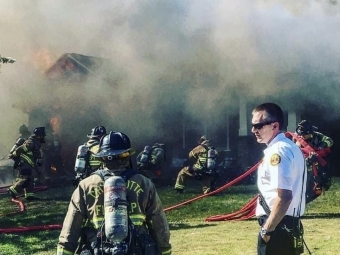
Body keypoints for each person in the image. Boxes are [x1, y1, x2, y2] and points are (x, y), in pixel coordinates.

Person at [57, 131, 172, 255]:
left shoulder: (86, 185)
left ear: (102, 158)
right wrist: (164, 249)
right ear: (127, 156)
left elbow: (71, 228)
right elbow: (158, 223)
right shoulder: (144, 183)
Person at [251, 102, 306, 255]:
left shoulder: (278, 151)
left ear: (274, 126)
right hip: (287, 224)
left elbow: (284, 196)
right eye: (253, 125)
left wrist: (267, 230)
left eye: (259, 125)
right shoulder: (289, 147)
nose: (253, 130)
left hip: (277, 228)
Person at [294, 120, 333, 203]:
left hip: (318, 166)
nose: (302, 136)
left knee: (320, 187)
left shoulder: (317, 136)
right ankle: (299, 204)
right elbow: (295, 158)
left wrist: (324, 144)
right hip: (303, 169)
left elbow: (329, 140)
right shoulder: (296, 140)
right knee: (304, 189)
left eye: (305, 134)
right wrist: (308, 160)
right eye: (301, 133)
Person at [8, 127, 46, 200]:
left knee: (30, 179)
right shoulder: (31, 142)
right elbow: (22, 148)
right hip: (24, 163)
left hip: (29, 163)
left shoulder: (36, 142)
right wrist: (14, 154)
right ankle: (13, 190)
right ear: (39, 135)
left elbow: (34, 154)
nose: (43, 137)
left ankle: (29, 196)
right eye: (42, 136)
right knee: (26, 179)